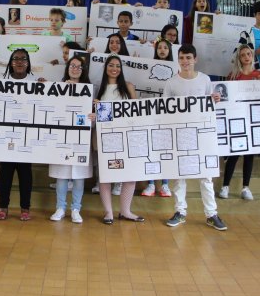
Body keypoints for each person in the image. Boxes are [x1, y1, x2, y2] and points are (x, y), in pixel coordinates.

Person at [164, 44, 227, 231]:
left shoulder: (205, 80)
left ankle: (211, 214)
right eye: (182, 58)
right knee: (179, 176)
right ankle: (180, 211)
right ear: (178, 59)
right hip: (180, 134)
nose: (185, 62)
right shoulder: (171, 82)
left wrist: (214, 100)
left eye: (188, 58)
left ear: (195, 59)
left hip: (202, 135)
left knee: (205, 176)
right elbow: (165, 109)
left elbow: (210, 106)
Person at [95, 54, 144, 224]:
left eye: (117, 65)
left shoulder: (128, 87)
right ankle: (108, 212)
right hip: (107, 140)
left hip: (127, 139)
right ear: (105, 68)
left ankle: (125, 211)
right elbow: (99, 117)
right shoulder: (99, 90)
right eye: (111, 65)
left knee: (130, 176)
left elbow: (136, 111)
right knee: (106, 176)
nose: (114, 68)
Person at [49, 55, 94, 224]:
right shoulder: (58, 88)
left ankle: (76, 209)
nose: (75, 69)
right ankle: (60, 208)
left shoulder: (90, 89)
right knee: (61, 175)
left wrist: (93, 116)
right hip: (62, 138)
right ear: (67, 68)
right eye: (72, 66)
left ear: (83, 71)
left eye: (79, 67)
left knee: (78, 176)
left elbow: (93, 113)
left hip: (80, 139)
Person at [219, 45, 260, 200]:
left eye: (249, 54)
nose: (247, 57)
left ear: (253, 57)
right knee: (234, 153)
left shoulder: (259, 74)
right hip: (237, 118)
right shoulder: (233, 76)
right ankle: (225, 186)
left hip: (253, 118)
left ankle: (246, 187)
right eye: (243, 54)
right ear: (239, 58)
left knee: (249, 154)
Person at [0, 49, 36, 221]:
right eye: (16, 59)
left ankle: (25, 208)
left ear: (28, 62)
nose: (19, 62)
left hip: (27, 137)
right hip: (7, 136)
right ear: (11, 62)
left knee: (25, 174)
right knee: (5, 173)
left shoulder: (36, 82)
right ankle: (3, 207)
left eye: (23, 59)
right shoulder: (1, 81)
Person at [141, 39, 174, 197]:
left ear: (169, 50)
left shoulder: (176, 70)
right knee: (150, 149)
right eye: (159, 47)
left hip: (167, 115)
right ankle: (151, 184)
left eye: (165, 48)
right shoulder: (148, 67)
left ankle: (165, 185)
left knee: (165, 150)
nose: (162, 50)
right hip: (150, 113)